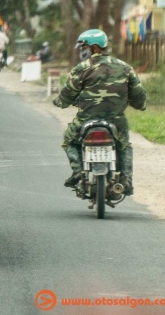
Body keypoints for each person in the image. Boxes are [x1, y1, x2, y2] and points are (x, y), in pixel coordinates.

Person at [53, 29, 146, 195]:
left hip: (86, 120)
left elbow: (67, 93)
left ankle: (77, 172)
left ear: (94, 47)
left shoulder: (81, 68)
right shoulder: (125, 68)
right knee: (124, 145)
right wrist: (139, 105)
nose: (81, 51)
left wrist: (60, 102)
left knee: (68, 140)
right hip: (116, 121)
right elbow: (138, 95)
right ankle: (126, 180)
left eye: (83, 47)